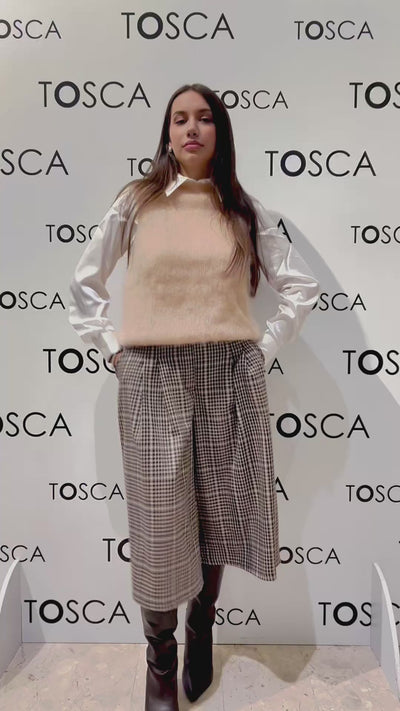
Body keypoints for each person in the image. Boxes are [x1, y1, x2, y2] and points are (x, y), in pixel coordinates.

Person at [68, 83, 320, 711]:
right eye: (179, 118)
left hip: (227, 372)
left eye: (204, 118)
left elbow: (300, 286)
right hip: (150, 374)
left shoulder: (243, 209)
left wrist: (260, 351)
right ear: (167, 131)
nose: (191, 129)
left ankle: (202, 627)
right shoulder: (138, 202)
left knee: (218, 514)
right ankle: (160, 658)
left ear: (219, 132)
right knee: (159, 523)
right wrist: (114, 350)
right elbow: (85, 282)